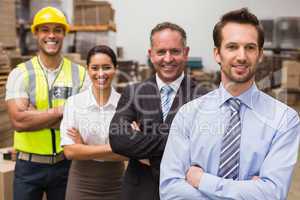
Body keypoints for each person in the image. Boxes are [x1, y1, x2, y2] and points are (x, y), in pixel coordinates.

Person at [160, 8, 300, 200]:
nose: (241, 56)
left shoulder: (284, 119)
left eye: (250, 47)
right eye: (232, 46)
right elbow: (170, 190)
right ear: (217, 54)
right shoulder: (188, 115)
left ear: (260, 54)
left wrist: (202, 181)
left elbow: (273, 194)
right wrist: (250, 191)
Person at [109, 22, 208, 200]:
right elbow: (118, 140)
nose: (168, 59)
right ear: (151, 55)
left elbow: (203, 148)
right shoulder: (133, 93)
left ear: (185, 53)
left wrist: (144, 150)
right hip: (139, 193)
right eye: (161, 52)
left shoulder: (203, 97)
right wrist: (179, 140)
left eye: (175, 51)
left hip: (185, 193)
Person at [5, 7, 89, 200]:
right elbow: (19, 122)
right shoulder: (20, 73)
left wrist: (35, 115)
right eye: (45, 29)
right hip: (28, 168)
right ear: (36, 33)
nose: (51, 35)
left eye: (57, 30)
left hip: (66, 165)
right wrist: (64, 111)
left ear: (64, 34)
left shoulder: (80, 74)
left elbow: (84, 121)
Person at [60, 45, 126, 200]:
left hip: (117, 184)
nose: (101, 73)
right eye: (95, 68)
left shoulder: (125, 104)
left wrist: (84, 148)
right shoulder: (74, 103)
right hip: (81, 184)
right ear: (88, 69)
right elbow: (70, 152)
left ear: (115, 69)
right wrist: (115, 148)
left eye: (107, 67)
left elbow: (130, 153)